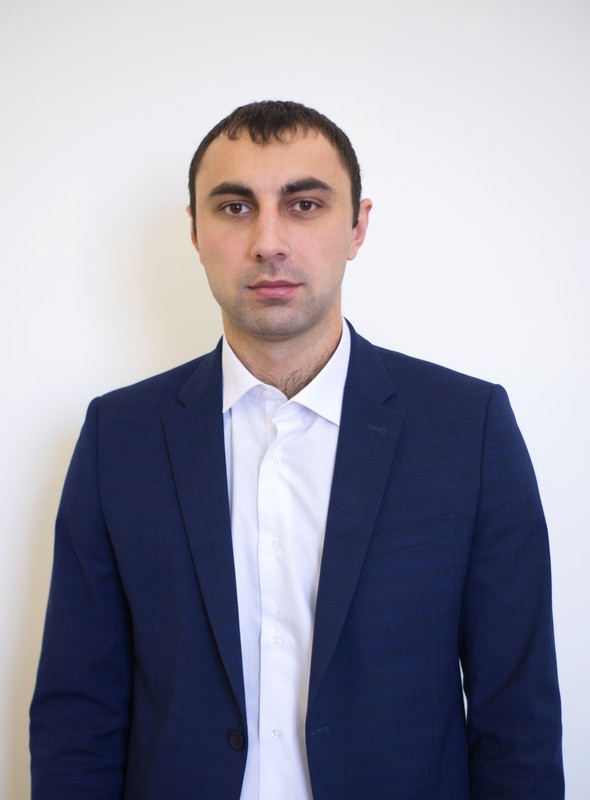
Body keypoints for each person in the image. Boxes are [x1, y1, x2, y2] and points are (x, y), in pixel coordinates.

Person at [30, 100, 564, 799]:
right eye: (235, 208)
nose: (268, 242)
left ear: (357, 227)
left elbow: (517, 717)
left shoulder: (470, 429)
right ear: (194, 231)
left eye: (304, 204)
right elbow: (79, 714)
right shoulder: (118, 437)